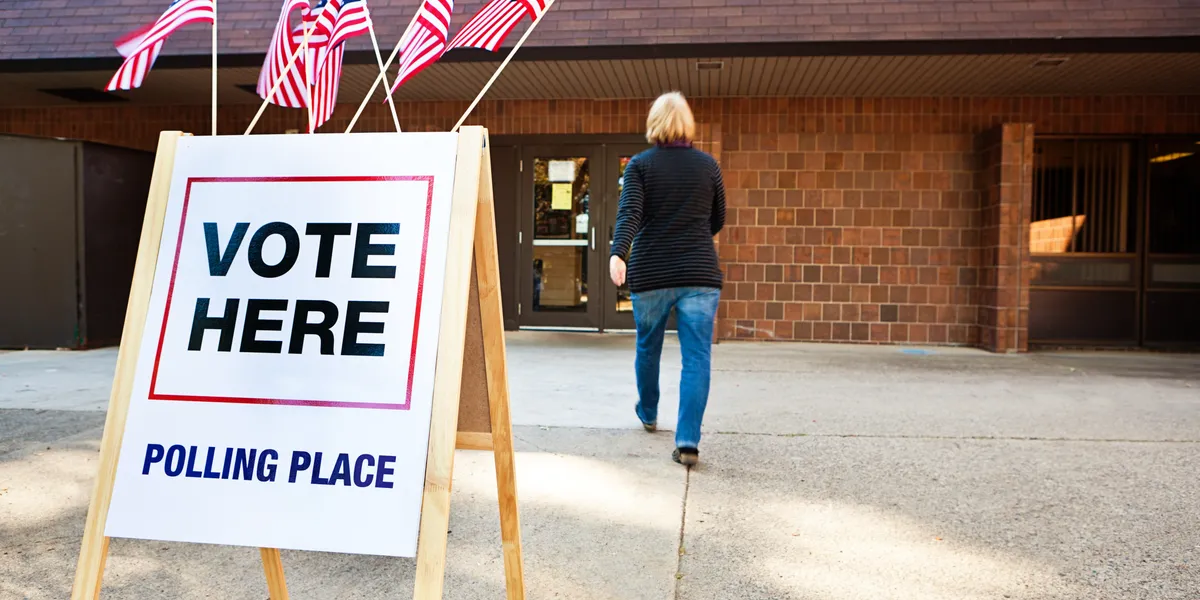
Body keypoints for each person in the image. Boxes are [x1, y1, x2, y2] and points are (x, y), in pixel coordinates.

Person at [609, 92, 725, 467]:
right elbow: (717, 220)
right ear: (687, 123)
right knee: (697, 357)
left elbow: (630, 213)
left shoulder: (641, 166)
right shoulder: (708, 166)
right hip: (699, 272)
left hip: (652, 271)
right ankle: (688, 440)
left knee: (648, 347)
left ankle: (648, 412)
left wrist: (618, 253)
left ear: (654, 123)